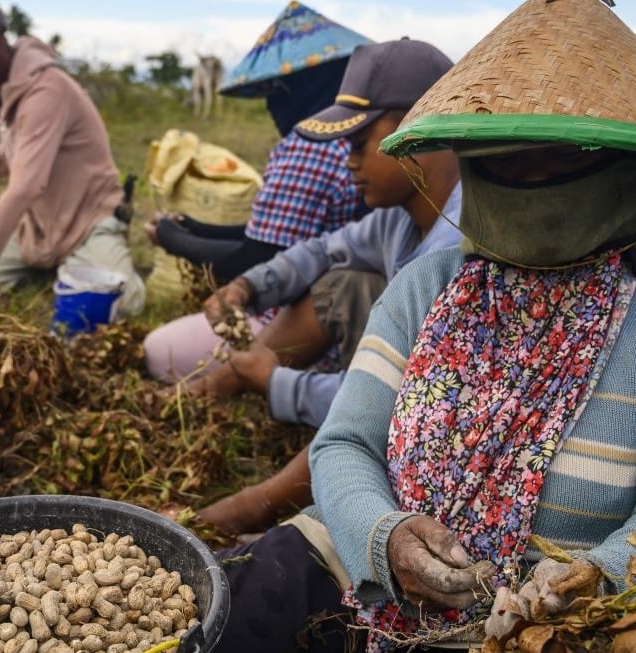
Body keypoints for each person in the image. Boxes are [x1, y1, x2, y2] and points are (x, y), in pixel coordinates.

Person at [199, 1, 636, 653]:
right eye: (506, 156)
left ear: (622, 158)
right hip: (363, 569)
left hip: (545, 634)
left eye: (560, 155)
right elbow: (344, 444)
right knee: (207, 627)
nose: (529, 175)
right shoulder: (429, 283)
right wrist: (385, 536)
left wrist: (582, 583)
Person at [180, 39, 462, 535]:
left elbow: (395, 401)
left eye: (358, 143)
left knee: (359, 422)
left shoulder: (458, 250)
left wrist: (279, 384)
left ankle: (257, 506)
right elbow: (324, 251)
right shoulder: (401, 218)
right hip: (401, 393)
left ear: (416, 130)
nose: (348, 161)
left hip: (438, 425)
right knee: (342, 281)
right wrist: (247, 287)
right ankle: (212, 389)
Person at [0, 0, 145, 315]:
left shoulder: (47, 91)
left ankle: (105, 265)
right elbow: (24, 151)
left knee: (117, 301)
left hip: (87, 221)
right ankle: (51, 264)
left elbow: (24, 187)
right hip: (40, 227)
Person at [147, 1, 371, 283]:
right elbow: (279, 233)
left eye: (277, 91)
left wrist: (170, 238)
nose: (270, 105)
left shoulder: (313, 145)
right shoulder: (354, 133)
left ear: (303, 86)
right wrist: (197, 228)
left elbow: (258, 261)